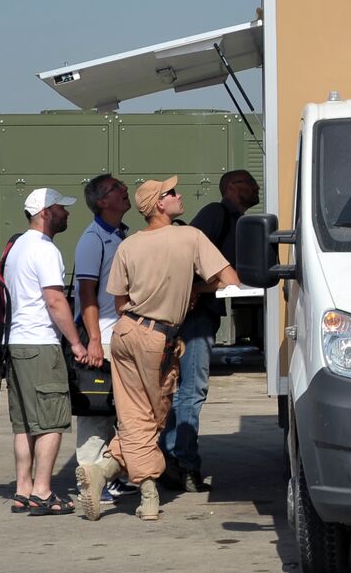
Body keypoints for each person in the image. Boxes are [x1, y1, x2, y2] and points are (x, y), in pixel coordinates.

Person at [76, 175, 240, 521]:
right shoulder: (190, 236)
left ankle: (103, 471)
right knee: (152, 419)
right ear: (159, 205)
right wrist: (193, 288)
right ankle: (148, 494)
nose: (179, 195)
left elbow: (119, 301)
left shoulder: (129, 244)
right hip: (158, 338)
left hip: (126, 333)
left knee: (134, 416)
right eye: (172, 193)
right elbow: (230, 280)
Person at [162, 169, 259, 491]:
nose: (256, 187)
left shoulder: (235, 219)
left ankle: (174, 459)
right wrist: (196, 290)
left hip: (203, 315)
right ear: (232, 188)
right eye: (250, 182)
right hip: (195, 318)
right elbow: (186, 255)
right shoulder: (216, 213)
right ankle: (183, 465)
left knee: (186, 391)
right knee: (191, 390)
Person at [4, 187, 90, 517]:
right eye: (60, 209)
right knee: (52, 421)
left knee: (25, 422)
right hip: (40, 344)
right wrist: (76, 343)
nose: (66, 213)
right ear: (44, 213)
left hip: (16, 343)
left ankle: (22, 489)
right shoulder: (45, 249)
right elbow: (55, 301)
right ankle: (42, 492)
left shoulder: (16, 246)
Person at [69, 174, 137, 514]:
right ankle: (89, 474)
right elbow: (86, 292)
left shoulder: (120, 234)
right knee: (95, 410)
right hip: (102, 336)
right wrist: (94, 340)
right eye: (117, 189)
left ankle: (109, 475)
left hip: (118, 335)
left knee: (116, 410)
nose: (126, 191)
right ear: (101, 201)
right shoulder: (93, 239)